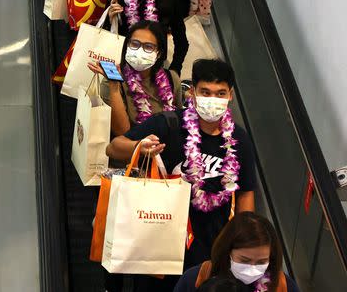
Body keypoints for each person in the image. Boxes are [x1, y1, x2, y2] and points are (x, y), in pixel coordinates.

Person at [106, 59, 256, 291]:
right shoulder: (169, 125)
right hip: (157, 243)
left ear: (231, 95)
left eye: (220, 93)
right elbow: (114, 147)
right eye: (205, 92)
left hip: (209, 251)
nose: (212, 100)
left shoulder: (240, 140)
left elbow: (245, 193)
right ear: (193, 93)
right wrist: (139, 146)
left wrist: (243, 243)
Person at [88, 21, 182, 136]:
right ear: (127, 46)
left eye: (148, 47)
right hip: (132, 149)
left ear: (158, 53)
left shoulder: (172, 78)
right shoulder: (113, 79)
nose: (139, 51)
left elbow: (179, 121)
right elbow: (122, 132)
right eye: (135, 44)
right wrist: (114, 88)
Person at [176, 212, 300, 292]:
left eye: (261, 262)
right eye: (244, 260)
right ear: (227, 252)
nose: (252, 268)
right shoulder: (197, 278)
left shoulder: (282, 286)